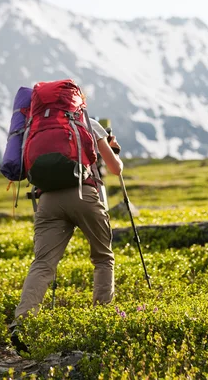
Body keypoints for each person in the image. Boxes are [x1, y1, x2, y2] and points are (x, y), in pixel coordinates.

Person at [10, 117, 123, 354]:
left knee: (42, 264)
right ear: (78, 103)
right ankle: (100, 321)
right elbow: (115, 169)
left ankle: (22, 323)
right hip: (84, 194)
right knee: (103, 258)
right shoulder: (87, 122)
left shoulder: (37, 126)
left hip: (48, 200)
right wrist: (112, 148)